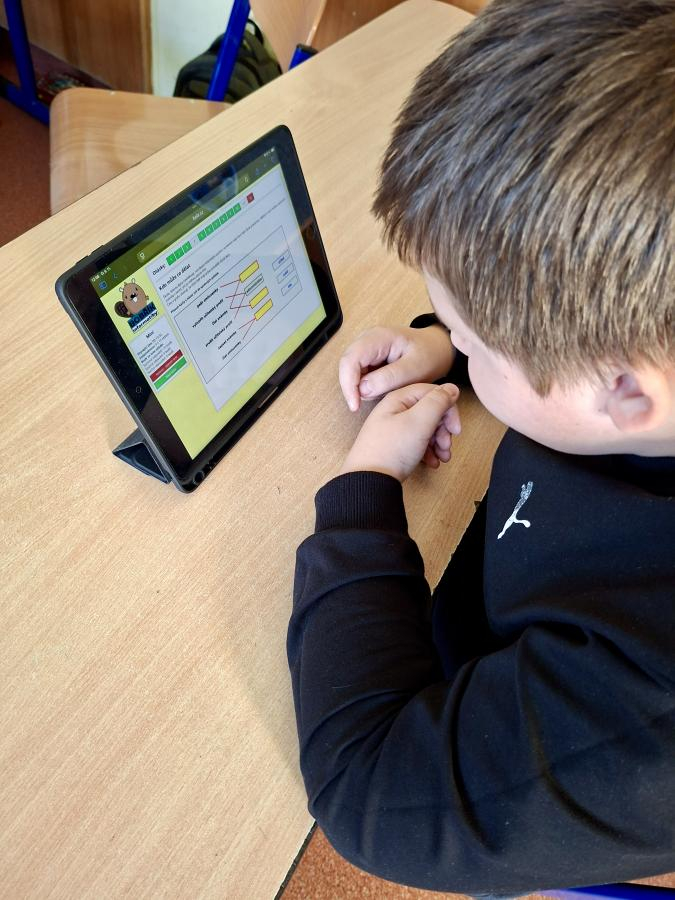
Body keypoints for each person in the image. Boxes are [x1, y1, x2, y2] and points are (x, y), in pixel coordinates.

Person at [287, 0, 675, 894]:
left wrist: (361, 492)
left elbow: (366, 793)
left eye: (475, 336)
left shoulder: (647, 699)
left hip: (499, 718)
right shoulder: (637, 383)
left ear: (623, 391)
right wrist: (448, 348)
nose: (454, 339)